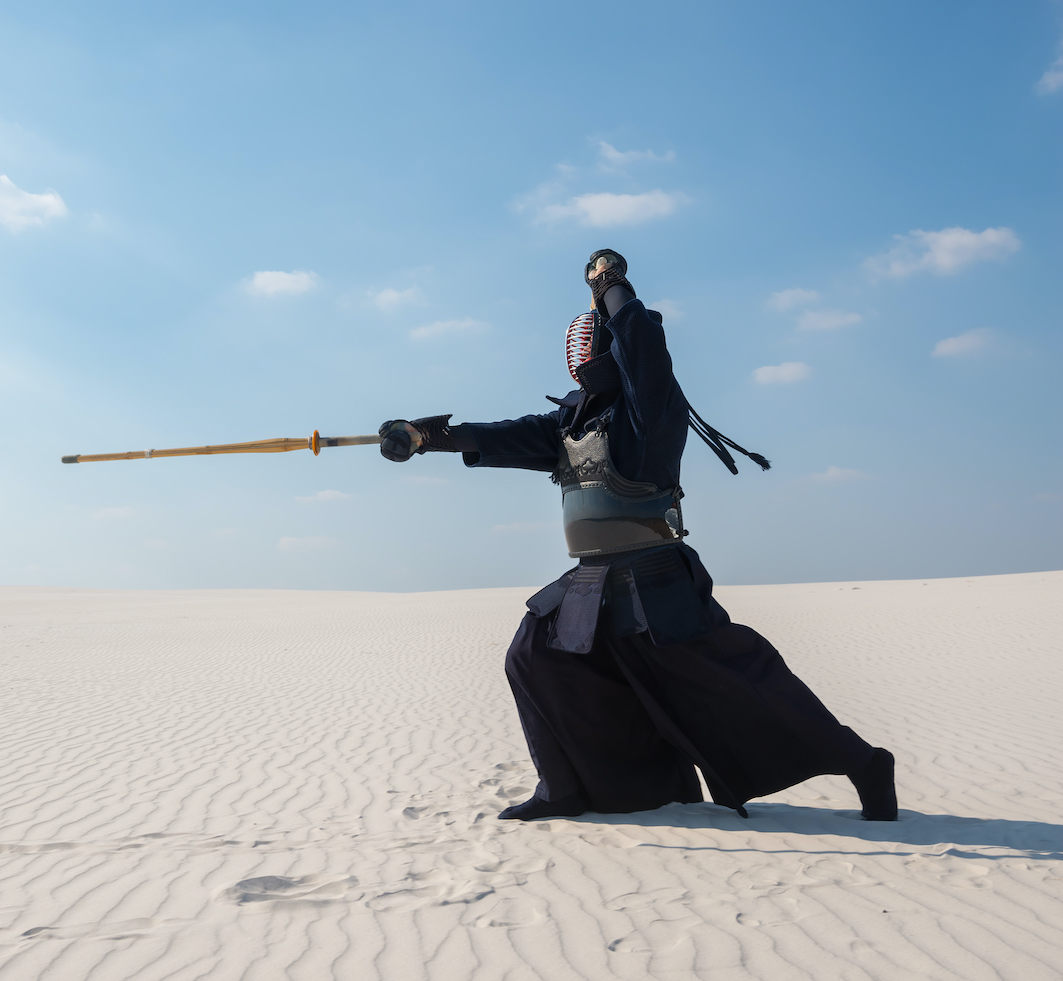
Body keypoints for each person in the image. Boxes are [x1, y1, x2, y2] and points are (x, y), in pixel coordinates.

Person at [378, 250, 898, 822]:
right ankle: (566, 789)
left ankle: (864, 762)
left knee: (739, 690)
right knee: (534, 656)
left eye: (592, 342)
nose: (579, 356)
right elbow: (499, 435)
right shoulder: (570, 420)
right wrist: (422, 436)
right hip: (592, 579)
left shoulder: (651, 408)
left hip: (656, 582)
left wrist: (612, 288)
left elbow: (645, 351)